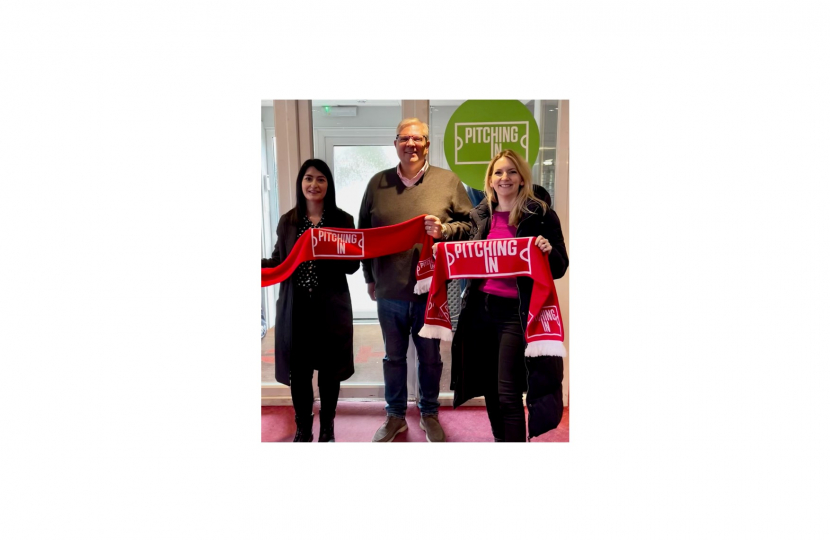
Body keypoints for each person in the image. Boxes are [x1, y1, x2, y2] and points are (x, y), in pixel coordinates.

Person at [358, 118, 473, 442]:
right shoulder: (376, 184)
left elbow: (469, 227)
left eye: (418, 138)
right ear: (395, 143)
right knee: (392, 358)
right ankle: (395, 416)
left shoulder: (448, 182)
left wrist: (446, 230)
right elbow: (364, 233)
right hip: (389, 290)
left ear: (427, 144)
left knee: (430, 358)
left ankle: (429, 413)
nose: (411, 144)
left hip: (431, 293)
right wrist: (369, 276)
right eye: (405, 138)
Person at [448, 149, 569, 442]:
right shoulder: (479, 216)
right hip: (480, 311)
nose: (505, 178)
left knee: (507, 393)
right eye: (499, 172)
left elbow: (560, 266)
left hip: (515, 314)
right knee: (490, 390)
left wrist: (547, 251)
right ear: (490, 180)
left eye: (512, 171)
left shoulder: (539, 215)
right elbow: (463, 253)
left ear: (521, 177)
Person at [261, 159, 359, 442]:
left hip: (331, 308)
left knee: (330, 373)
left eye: (320, 179)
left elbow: (352, 267)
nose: (313, 185)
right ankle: (303, 429)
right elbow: (280, 262)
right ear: (300, 183)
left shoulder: (343, 220)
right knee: (300, 373)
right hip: (297, 309)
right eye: (308, 178)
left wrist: (337, 248)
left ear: (328, 185)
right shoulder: (288, 221)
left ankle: (327, 429)